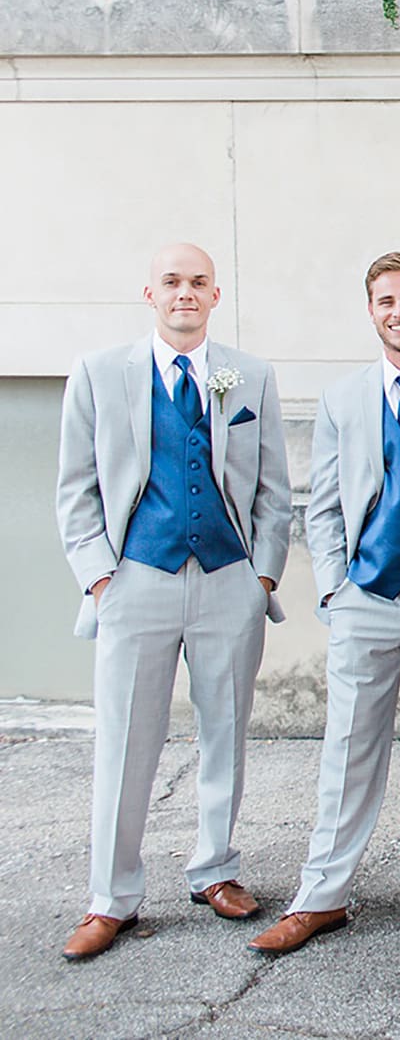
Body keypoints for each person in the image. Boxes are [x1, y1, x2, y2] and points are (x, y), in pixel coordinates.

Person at [248, 253, 400, 955]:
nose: (398, 310)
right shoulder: (343, 399)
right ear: (372, 310)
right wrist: (332, 586)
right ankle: (322, 891)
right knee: (349, 745)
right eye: (385, 300)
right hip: (367, 593)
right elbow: (320, 504)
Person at [56, 243, 291, 960]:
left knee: (225, 732)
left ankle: (216, 869)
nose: (184, 292)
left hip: (228, 581)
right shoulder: (99, 374)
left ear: (216, 295)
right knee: (127, 742)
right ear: (149, 293)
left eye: (198, 282)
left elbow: (274, 491)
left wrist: (262, 579)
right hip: (137, 579)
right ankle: (113, 896)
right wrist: (102, 577)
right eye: (172, 281)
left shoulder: (249, 375)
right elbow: (77, 490)